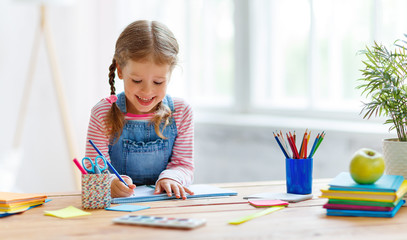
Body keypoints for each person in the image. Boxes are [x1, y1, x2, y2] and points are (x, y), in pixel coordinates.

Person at [85, 20, 194, 200]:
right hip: (116, 212)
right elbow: (94, 171)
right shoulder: (102, 112)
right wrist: (109, 183)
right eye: (136, 80)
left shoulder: (181, 111)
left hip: (165, 208)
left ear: (170, 75)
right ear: (120, 71)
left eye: (158, 82)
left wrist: (172, 178)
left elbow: (184, 165)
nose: (147, 91)